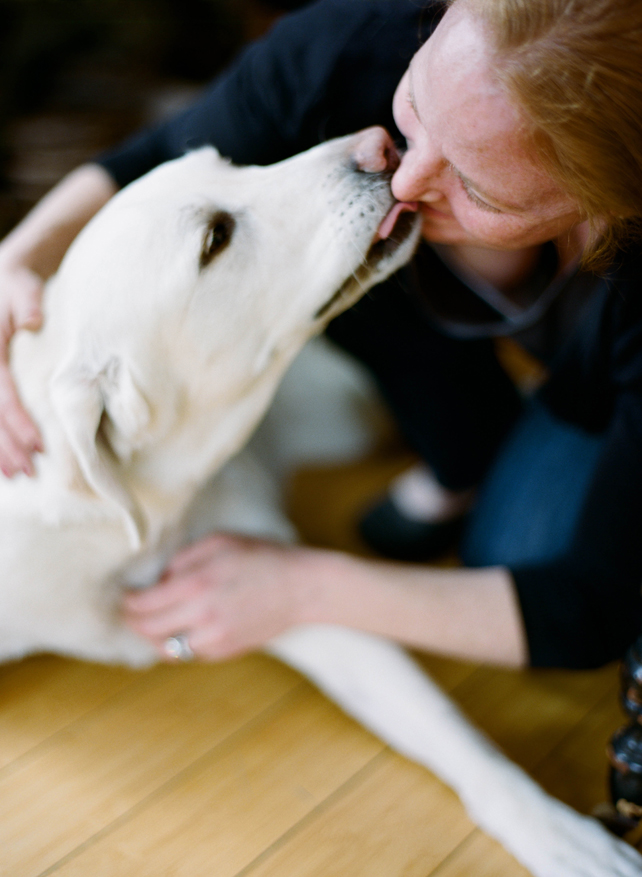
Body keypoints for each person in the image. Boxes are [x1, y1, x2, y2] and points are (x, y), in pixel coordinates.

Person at [0, 0, 641, 670]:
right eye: (416, 104)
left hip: (604, 372)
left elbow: (586, 608)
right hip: (462, 359)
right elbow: (163, 156)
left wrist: (302, 586)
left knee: (522, 555)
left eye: (478, 187)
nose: (399, 173)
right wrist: (17, 256)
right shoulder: (349, 49)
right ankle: (466, 450)